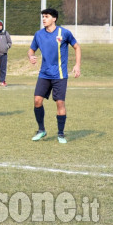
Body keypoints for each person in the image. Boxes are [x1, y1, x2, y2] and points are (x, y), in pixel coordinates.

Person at [28, 8, 81, 144]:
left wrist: (77, 65)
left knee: (60, 103)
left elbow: (77, 47)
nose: (44, 19)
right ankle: (41, 130)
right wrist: (31, 56)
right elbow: (31, 49)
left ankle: (61, 134)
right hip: (44, 74)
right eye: (43, 17)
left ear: (54, 18)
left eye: (46, 16)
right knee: (37, 101)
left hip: (60, 75)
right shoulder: (38, 34)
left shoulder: (64, 33)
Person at [0, 20, 12, 86]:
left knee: (3, 69)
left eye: (0, 25)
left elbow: (10, 42)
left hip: (4, 54)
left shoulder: (5, 33)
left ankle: (2, 81)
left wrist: (6, 47)